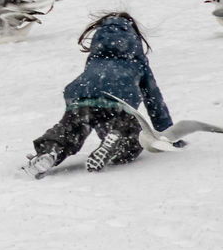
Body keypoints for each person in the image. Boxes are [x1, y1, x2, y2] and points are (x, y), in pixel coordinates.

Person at [23, 12, 173, 179]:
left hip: (82, 99)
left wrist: (75, 115)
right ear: (134, 38)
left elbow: (92, 81)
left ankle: (51, 151)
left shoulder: (95, 56)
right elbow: (155, 103)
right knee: (130, 134)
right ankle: (117, 141)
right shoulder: (137, 62)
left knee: (70, 130)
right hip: (118, 101)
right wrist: (168, 136)